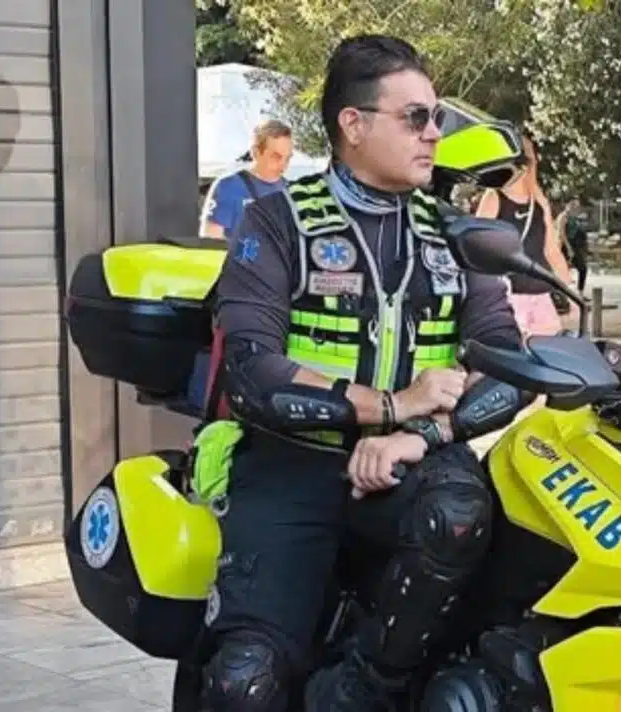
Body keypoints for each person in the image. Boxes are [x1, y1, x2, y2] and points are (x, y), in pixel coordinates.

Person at [199, 34, 531, 712]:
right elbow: (252, 372)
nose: (434, 134)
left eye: (436, 117)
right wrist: (391, 405)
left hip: (414, 466)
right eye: (416, 117)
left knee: (458, 513)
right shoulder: (276, 221)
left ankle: (360, 693)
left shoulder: (456, 235)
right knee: (241, 684)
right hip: (292, 465)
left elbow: (509, 362)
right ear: (353, 124)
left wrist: (420, 436)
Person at [474, 134, 574, 337]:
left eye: (531, 159)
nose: (530, 167)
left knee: (549, 350)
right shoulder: (494, 198)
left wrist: (570, 293)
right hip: (509, 298)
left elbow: (551, 251)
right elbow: (477, 251)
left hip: (541, 298)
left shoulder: (539, 202)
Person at [199, 119, 294, 238]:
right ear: (256, 153)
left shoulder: (292, 192)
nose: (283, 166)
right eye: (276, 157)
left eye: (288, 158)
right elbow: (210, 241)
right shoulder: (229, 187)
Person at [558, 198, 589, 294]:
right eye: (573, 205)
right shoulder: (563, 217)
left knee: (582, 268)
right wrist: (568, 248)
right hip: (564, 245)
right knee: (563, 271)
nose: (575, 208)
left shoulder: (574, 218)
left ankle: (580, 292)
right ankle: (560, 294)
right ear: (568, 205)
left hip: (574, 245)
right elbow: (561, 234)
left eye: (577, 206)